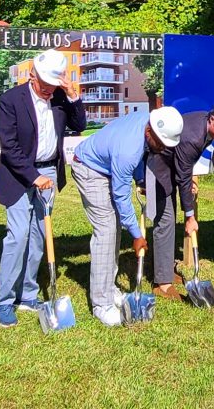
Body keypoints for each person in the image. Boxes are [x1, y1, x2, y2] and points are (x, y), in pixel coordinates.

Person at [0, 49, 86, 328]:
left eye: (52, 85)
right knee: (18, 236)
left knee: (38, 237)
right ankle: (4, 301)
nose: (47, 90)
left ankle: (28, 294)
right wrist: (33, 177)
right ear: (32, 75)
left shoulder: (58, 97)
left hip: (49, 171)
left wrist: (71, 94)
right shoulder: (11, 100)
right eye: (44, 84)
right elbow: (9, 147)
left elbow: (79, 124)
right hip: (19, 174)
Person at [70, 106, 184, 326]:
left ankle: (108, 287)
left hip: (106, 168)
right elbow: (122, 196)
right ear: (150, 131)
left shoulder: (148, 122)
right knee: (106, 230)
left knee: (113, 228)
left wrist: (141, 180)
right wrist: (136, 234)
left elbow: (145, 154)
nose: (162, 149)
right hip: (89, 169)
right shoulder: (127, 151)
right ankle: (101, 304)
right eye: (160, 143)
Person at [145, 101, 214, 301]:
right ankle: (162, 285)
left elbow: (185, 163)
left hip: (169, 167)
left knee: (168, 221)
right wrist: (190, 216)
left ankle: (164, 270)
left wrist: (188, 176)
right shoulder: (194, 136)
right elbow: (182, 175)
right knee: (165, 221)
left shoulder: (206, 125)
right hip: (155, 168)